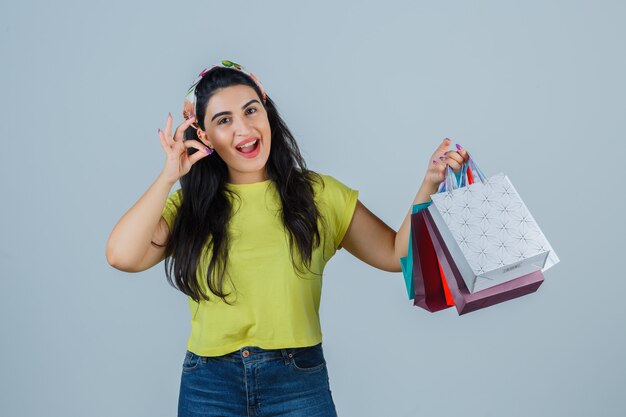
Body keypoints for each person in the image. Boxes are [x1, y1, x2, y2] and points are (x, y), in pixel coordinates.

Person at [105, 59, 468, 417]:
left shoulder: (318, 195)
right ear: (204, 136)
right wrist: (169, 176)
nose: (244, 128)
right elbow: (122, 256)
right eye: (224, 120)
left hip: (297, 381)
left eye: (251, 110)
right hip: (209, 384)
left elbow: (394, 253)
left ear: (267, 112)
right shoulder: (189, 207)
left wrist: (430, 182)